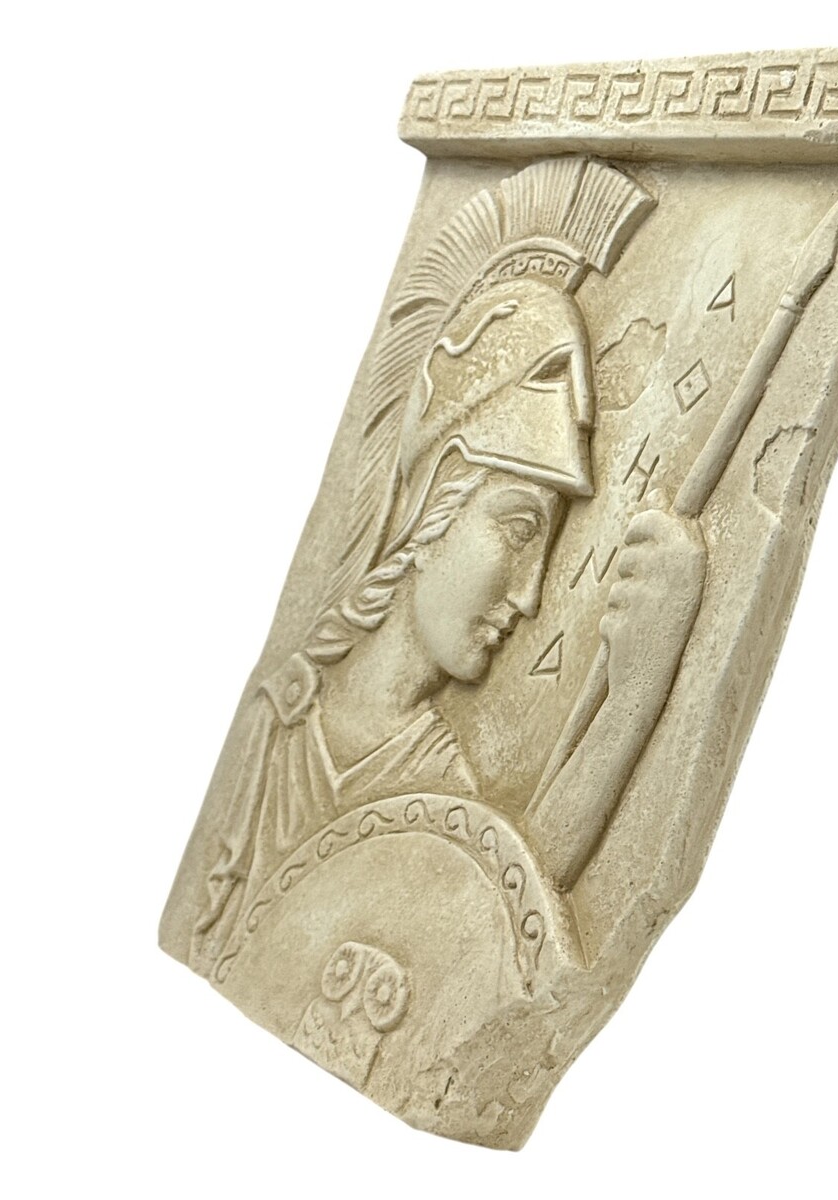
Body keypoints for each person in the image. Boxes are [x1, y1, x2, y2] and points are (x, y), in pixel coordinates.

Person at [190, 158, 706, 974]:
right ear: (435, 500)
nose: (529, 595)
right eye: (517, 528)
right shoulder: (274, 729)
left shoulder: (440, 786)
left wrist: (634, 693)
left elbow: (500, 911)